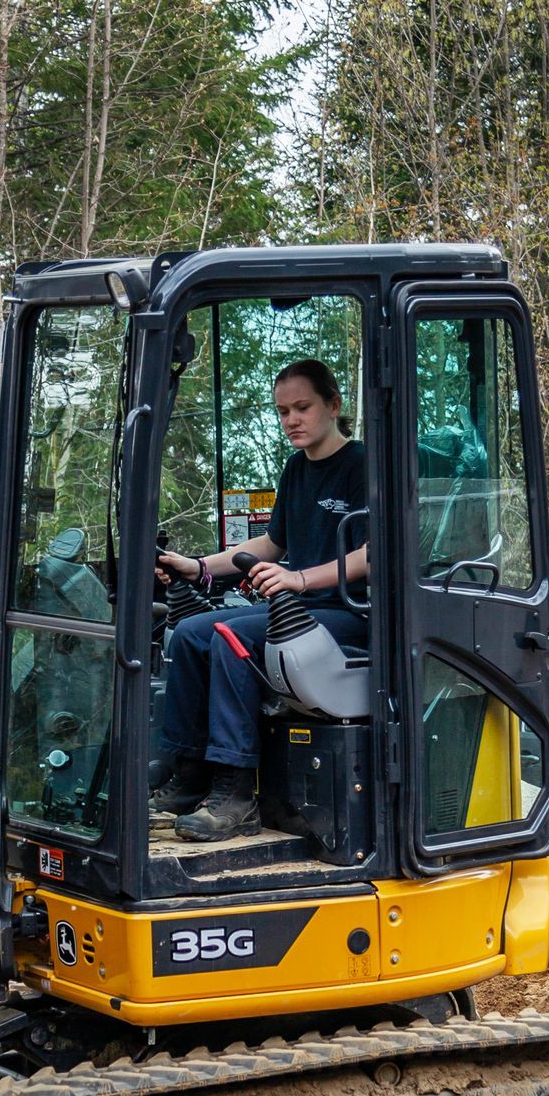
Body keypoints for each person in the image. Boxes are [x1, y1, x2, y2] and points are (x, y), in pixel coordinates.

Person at [152, 358, 368, 842]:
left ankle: (236, 793)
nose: (292, 419)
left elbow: (371, 556)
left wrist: (299, 581)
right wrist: (198, 565)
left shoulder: (363, 465)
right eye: (282, 411)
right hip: (301, 609)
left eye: (302, 407)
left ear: (332, 405)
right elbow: (271, 546)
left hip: (347, 615)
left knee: (232, 638)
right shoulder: (296, 469)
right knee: (189, 634)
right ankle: (189, 774)